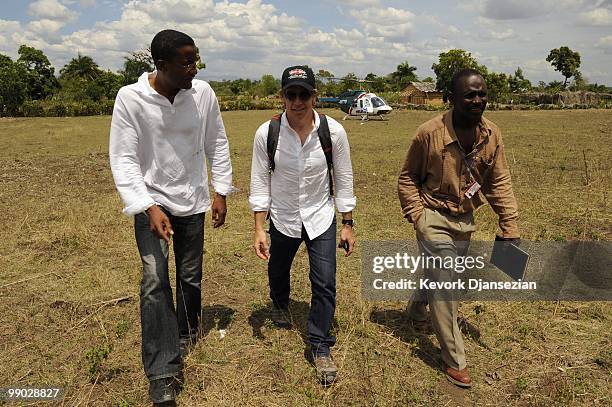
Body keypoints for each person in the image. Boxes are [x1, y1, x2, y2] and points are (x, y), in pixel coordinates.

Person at [109, 29, 233, 405]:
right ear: (162, 65)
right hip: (151, 203)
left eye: (196, 59)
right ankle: (163, 371)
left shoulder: (203, 94)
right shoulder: (131, 99)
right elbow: (124, 158)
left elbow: (217, 141)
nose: (194, 67)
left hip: (192, 199)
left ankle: (187, 330)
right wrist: (148, 206)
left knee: (190, 274)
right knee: (154, 280)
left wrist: (221, 190)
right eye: (187, 61)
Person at [397, 68, 519, 388]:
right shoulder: (429, 133)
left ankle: (415, 311)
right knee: (446, 280)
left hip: (465, 218)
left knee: (438, 273)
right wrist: (417, 215)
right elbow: (408, 177)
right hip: (432, 215)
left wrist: (510, 226)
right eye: (469, 95)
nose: (477, 100)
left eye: (482, 94)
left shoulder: (491, 135)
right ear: (452, 99)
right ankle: (454, 359)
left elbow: (499, 182)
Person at [249, 65, 356, 385]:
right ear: (281, 96)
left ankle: (320, 346)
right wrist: (258, 228)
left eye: (304, 94)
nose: (297, 101)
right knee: (278, 268)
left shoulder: (333, 132)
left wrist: (347, 224)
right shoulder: (266, 134)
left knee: (324, 281)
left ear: (314, 96)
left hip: (320, 215)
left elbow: (345, 179)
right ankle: (280, 303)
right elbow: (258, 183)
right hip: (282, 217)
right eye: (290, 94)